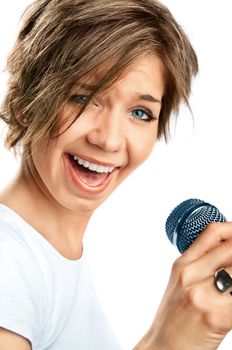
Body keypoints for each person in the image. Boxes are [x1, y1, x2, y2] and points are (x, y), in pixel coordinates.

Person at [0, 0, 232, 349]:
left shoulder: (49, 257)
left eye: (140, 112)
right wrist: (167, 343)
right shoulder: (8, 261)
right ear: (24, 102)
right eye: (82, 97)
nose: (108, 139)